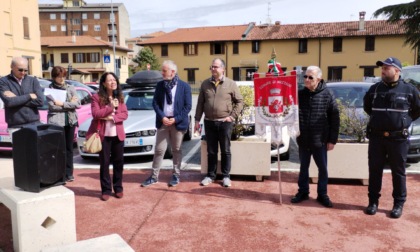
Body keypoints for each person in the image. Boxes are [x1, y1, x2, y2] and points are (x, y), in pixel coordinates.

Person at [363, 57, 420, 218]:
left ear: (397, 71)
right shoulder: (374, 89)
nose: (383, 71)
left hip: (398, 139)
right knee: (374, 171)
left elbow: (417, 110)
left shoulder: (409, 90)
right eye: (382, 68)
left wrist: (404, 121)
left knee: (398, 172)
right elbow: (368, 107)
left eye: (387, 68)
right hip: (377, 138)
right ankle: (373, 202)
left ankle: (398, 204)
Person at [291, 66, 340, 208]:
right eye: (305, 77)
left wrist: (332, 140)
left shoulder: (327, 94)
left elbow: (334, 118)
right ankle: (303, 191)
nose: (306, 80)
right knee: (303, 168)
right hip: (303, 139)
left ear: (318, 79)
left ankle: (322, 194)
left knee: (323, 169)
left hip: (320, 140)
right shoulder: (300, 94)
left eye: (310, 77)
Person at [141, 60, 192, 187]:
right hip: (163, 122)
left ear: (172, 72)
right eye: (162, 70)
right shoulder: (160, 85)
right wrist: (162, 116)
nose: (162, 73)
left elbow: (188, 106)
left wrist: (175, 119)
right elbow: (155, 103)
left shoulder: (184, 86)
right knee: (159, 150)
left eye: (164, 71)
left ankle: (176, 175)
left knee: (176, 150)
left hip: (177, 123)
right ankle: (154, 176)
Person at [194, 58, 243, 187]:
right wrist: (197, 120)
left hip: (225, 123)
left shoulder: (231, 84)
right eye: (212, 67)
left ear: (223, 69)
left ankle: (226, 176)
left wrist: (232, 117)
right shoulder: (205, 84)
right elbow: (200, 103)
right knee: (211, 151)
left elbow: (240, 102)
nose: (213, 69)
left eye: (216, 67)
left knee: (225, 150)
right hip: (209, 123)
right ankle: (210, 175)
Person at [86, 72, 128, 201]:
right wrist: (110, 107)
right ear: (104, 83)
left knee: (118, 163)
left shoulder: (119, 96)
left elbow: (125, 114)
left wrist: (113, 118)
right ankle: (106, 189)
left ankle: (118, 188)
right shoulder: (96, 97)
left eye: (114, 79)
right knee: (104, 163)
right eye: (110, 80)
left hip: (118, 134)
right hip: (103, 135)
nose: (113, 82)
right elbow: (96, 114)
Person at [46, 66, 80, 182]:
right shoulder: (49, 89)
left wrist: (62, 104)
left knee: (69, 148)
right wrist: (69, 104)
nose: (61, 79)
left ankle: (69, 173)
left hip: (70, 122)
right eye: (59, 77)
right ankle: (59, 173)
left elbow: (78, 104)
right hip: (56, 122)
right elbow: (52, 106)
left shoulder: (70, 88)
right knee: (59, 149)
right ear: (54, 77)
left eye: (63, 76)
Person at [0, 57, 44, 132]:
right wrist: (29, 96)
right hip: (15, 126)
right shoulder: (4, 81)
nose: (23, 72)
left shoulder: (33, 81)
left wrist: (17, 98)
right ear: (12, 66)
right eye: (20, 70)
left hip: (34, 124)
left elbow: (40, 101)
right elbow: (9, 102)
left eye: (26, 70)